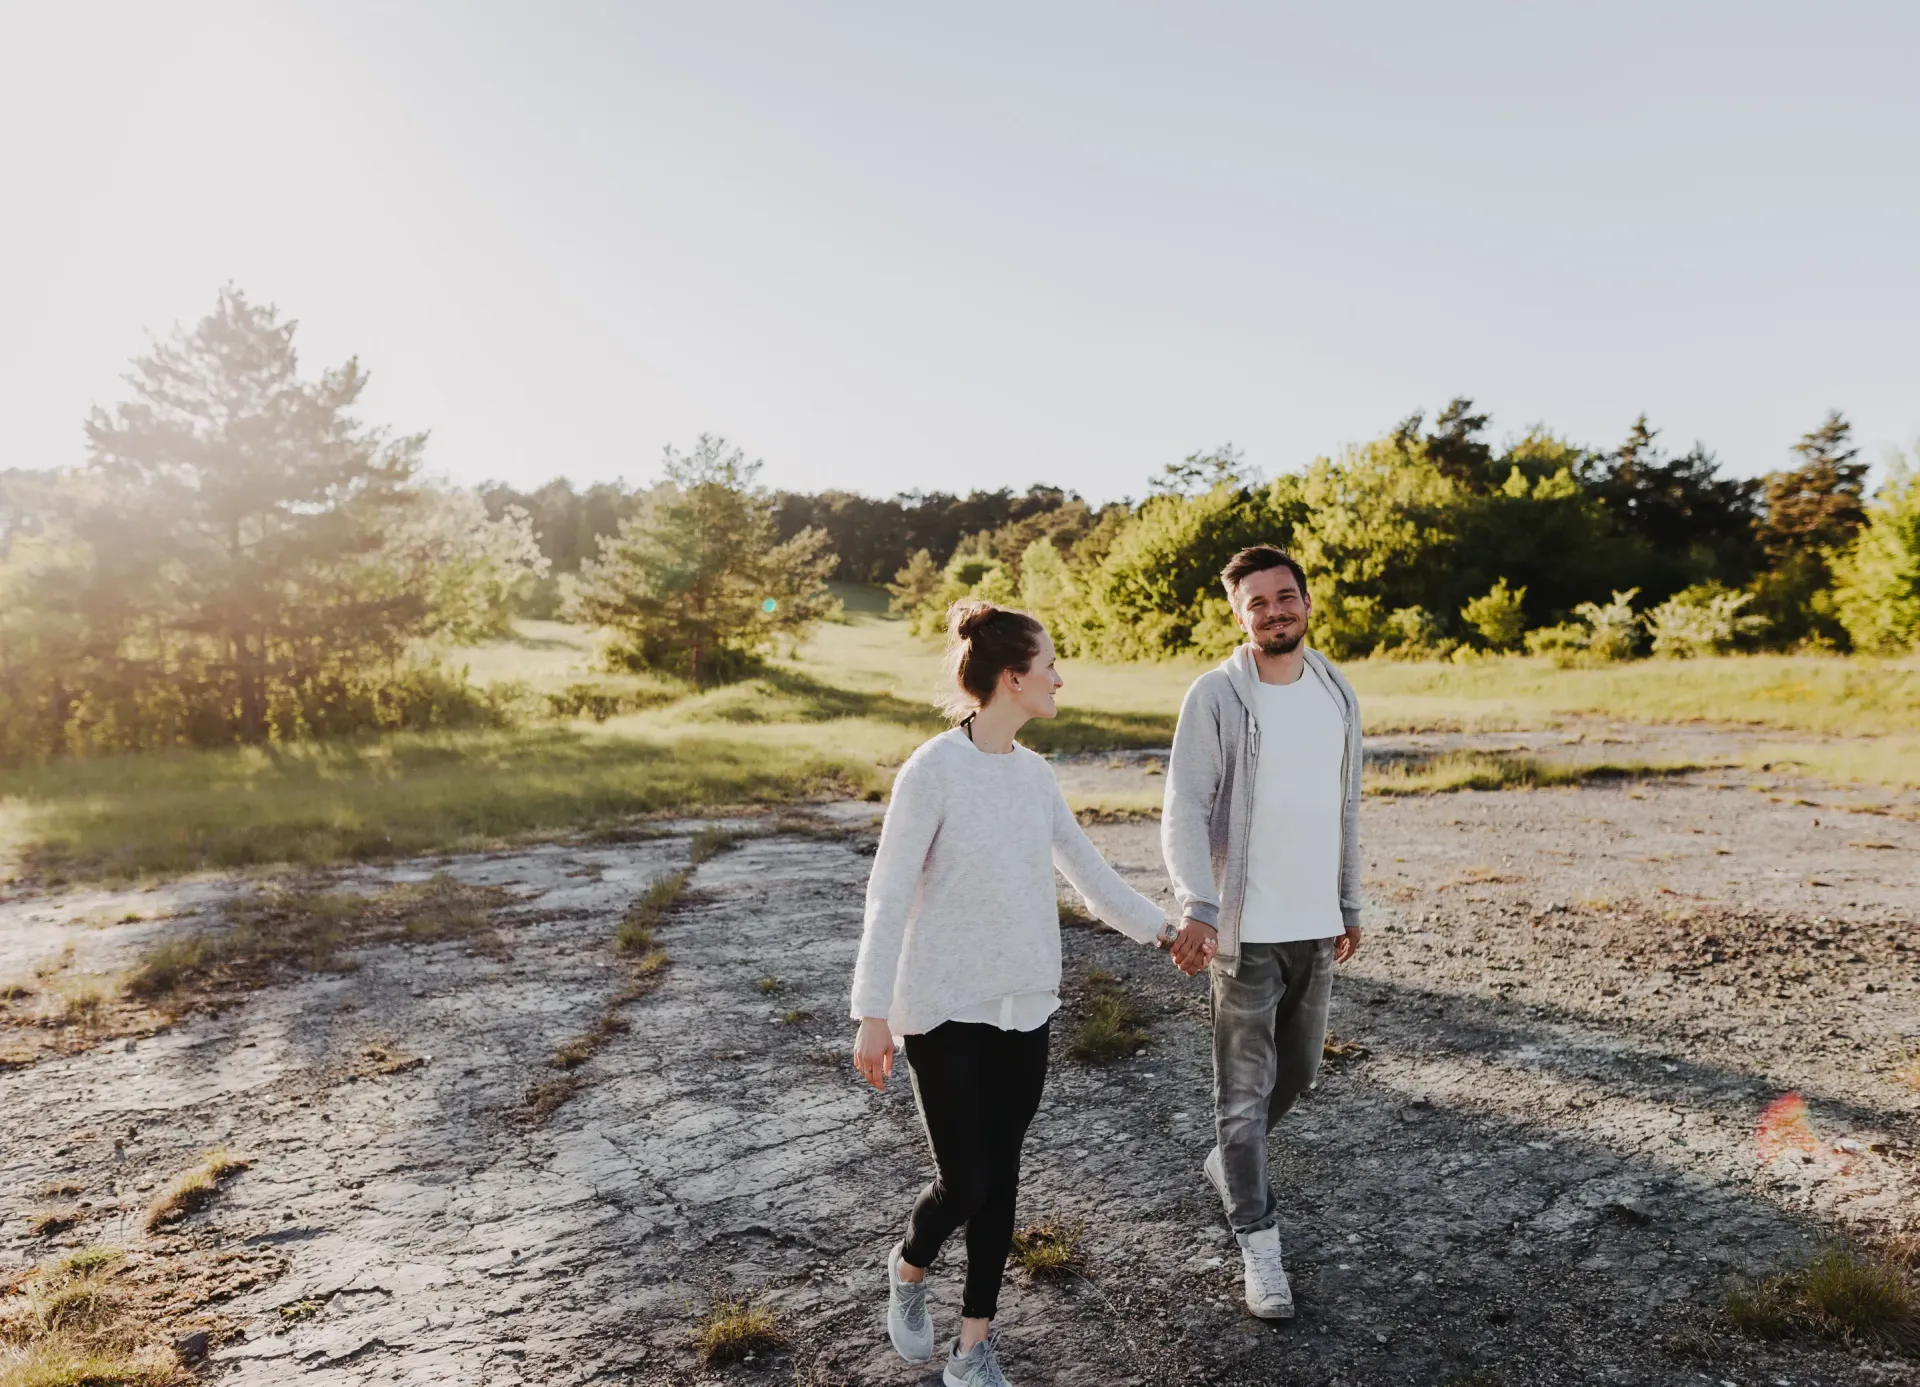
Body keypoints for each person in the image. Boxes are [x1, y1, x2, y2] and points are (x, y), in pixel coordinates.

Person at [851, 599, 1176, 1387]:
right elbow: (888, 895)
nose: (1060, 678)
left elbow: (1090, 873)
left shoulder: (1035, 775)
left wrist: (1166, 932)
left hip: (1024, 1005)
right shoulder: (932, 770)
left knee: (1002, 1176)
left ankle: (973, 1348)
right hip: (941, 1007)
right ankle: (909, 1264)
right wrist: (872, 1012)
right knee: (965, 1180)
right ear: (1013, 677)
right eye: (1050, 665)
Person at [1160, 545, 1364, 1320]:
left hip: (1314, 922)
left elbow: (1345, 805)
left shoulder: (1336, 690)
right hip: (1243, 932)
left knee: (1300, 1073)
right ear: (1238, 614)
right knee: (1243, 1097)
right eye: (1258, 602)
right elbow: (1183, 805)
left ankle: (1229, 1161)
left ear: (1306, 602)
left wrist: (1348, 899)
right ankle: (1258, 1238)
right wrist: (1199, 905)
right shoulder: (1217, 694)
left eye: (1285, 596)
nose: (1274, 611)